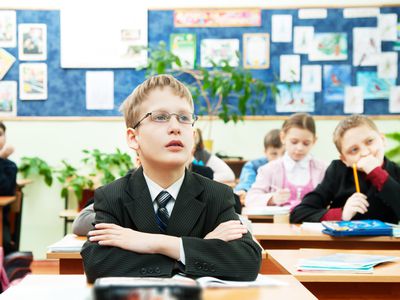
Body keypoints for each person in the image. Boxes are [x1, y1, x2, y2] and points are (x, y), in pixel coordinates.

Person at [81, 74, 261, 283]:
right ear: (133, 137)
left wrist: (154, 243)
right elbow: (98, 263)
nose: (175, 126)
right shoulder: (113, 196)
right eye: (160, 117)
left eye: (184, 118)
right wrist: (194, 250)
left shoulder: (217, 195)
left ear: (193, 136)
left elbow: (246, 261)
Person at [291, 114, 400, 224]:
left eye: (370, 141)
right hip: (344, 240)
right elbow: (299, 213)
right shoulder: (337, 171)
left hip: (385, 241)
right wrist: (342, 214)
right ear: (344, 159)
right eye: (354, 150)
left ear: (382, 139)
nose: (365, 153)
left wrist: (376, 172)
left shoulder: (396, 172)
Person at [245, 113, 327, 210]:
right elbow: (250, 199)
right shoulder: (269, 169)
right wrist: (272, 198)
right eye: (294, 142)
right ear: (283, 137)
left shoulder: (323, 168)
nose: (299, 148)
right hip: (278, 224)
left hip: (312, 223)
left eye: (306, 143)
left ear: (314, 141)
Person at [234, 129, 284, 204]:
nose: (279, 158)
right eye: (274, 154)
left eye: (284, 153)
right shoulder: (253, 166)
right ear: (265, 152)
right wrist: (243, 190)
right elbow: (247, 182)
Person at [0, 121, 17, 255]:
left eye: (0, 134)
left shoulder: (10, 166)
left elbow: (4, 190)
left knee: (4, 243)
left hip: (1, 219)